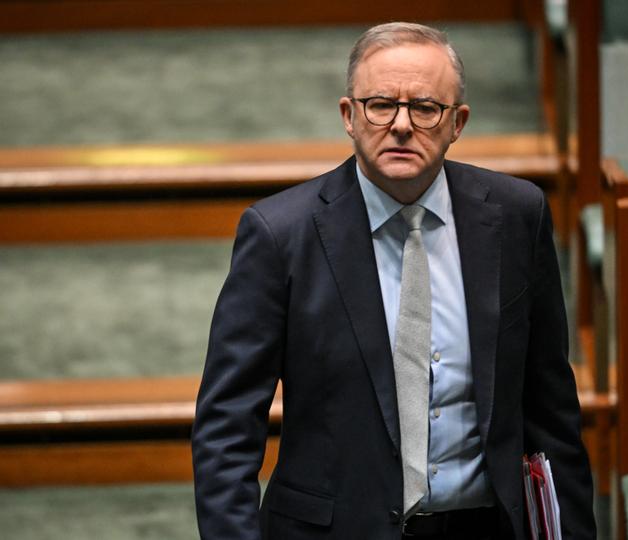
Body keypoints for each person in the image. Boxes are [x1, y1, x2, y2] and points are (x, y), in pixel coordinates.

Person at [192, 21, 596, 540]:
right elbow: (227, 429)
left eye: (425, 108)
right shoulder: (280, 235)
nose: (401, 125)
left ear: (458, 123)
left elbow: (552, 414)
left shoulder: (517, 217)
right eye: (380, 105)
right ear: (349, 116)